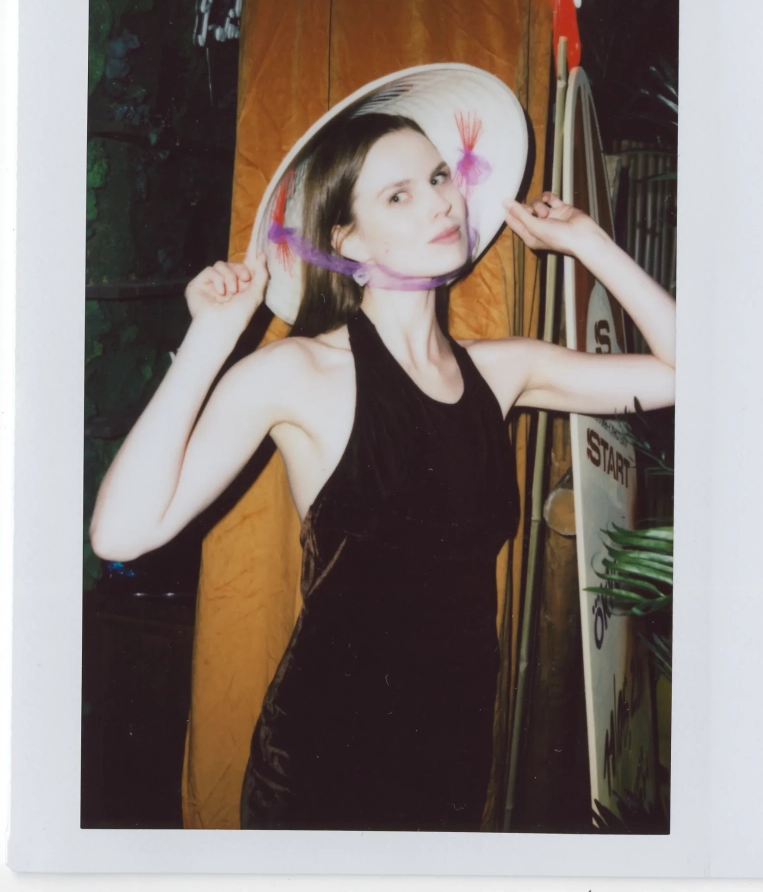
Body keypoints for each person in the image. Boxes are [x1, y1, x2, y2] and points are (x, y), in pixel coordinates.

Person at [89, 64, 675, 832]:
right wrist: (212, 338)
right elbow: (119, 533)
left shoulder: (501, 371)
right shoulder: (299, 372)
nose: (439, 201)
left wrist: (586, 241)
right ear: (347, 239)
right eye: (398, 196)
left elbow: (685, 374)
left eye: (438, 177)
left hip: (452, 768)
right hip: (322, 776)